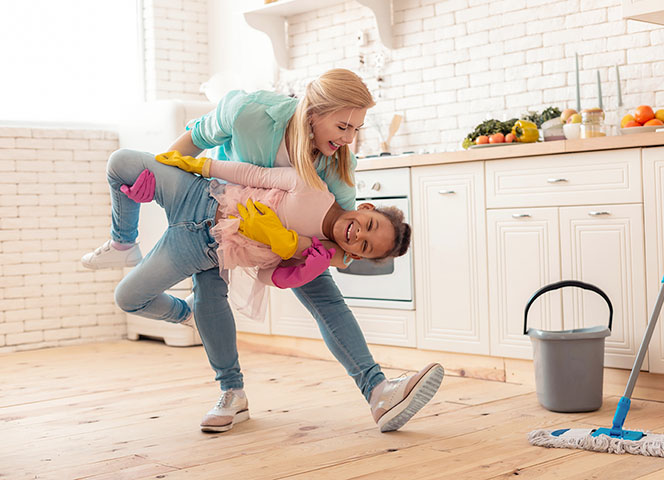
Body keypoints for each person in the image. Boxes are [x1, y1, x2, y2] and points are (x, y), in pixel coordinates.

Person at [82, 68, 444, 434]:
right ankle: (231, 392)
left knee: (325, 297)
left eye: (357, 129)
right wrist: (152, 182)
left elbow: (345, 238)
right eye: (343, 126)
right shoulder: (249, 113)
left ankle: (378, 391)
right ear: (314, 112)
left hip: (268, 244)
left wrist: (307, 261)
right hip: (214, 205)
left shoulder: (338, 163)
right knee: (207, 297)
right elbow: (193, 143)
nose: (349, 139)